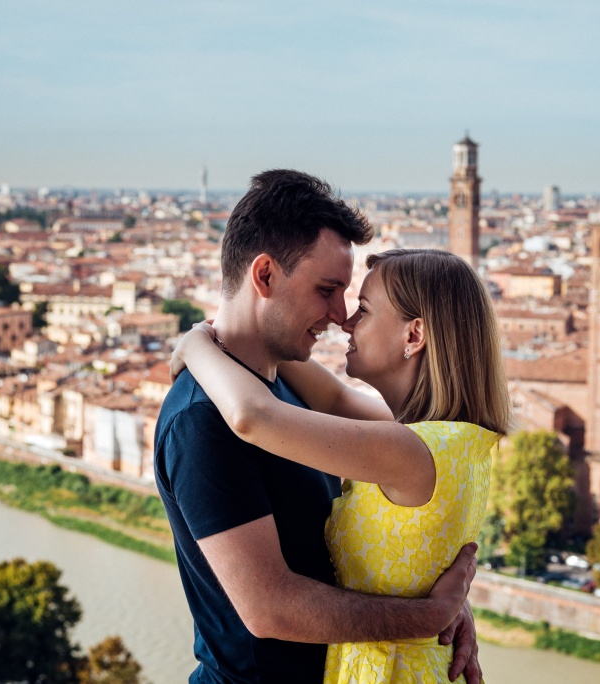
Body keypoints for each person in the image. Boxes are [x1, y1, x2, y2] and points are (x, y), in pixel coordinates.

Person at [154, 170, 483, 684]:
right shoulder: (202, 420)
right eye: (327, 290)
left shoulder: (288, 388)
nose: (340, 315)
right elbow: (269, 610)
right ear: (265, 276)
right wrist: (428, 617)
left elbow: (333, 400)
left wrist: (433, 593)